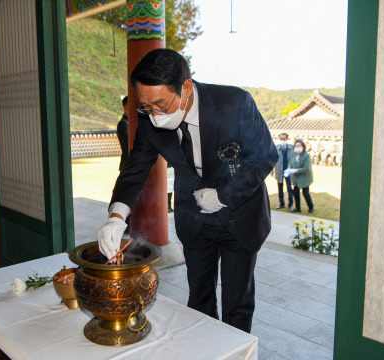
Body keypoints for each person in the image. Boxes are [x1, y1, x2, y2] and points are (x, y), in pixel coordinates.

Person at [96, 49, 279, 333]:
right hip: (194, 220)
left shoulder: (234, 103)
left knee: (237, 303)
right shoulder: (148, 117)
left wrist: (222, 196)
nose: (153, 116)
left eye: (161, 105)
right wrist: (116, 217)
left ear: (186, 88)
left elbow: (264, 157)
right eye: (145, 106)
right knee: (199, 300)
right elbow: (136, 167)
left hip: (239, 216)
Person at [284, 139, 314, 214]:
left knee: (305, 193)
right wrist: (289, 168)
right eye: (296, 146)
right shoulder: (294, 154)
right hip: (296, 178)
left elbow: (306, 168)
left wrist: (295, 170)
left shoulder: (306, 155)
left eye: (299, 146)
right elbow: (290, 162)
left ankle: (311, 207)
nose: (297, 147)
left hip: (304, 177)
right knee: (296, 192)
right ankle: (298, 208)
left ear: (303, 147)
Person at [273, 133, 294, 210]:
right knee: (280, 188)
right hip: (279, 171)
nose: (282, 140)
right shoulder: (276, 148)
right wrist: (272, 171)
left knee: (289, 188)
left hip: (288, 171)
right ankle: (281, 203)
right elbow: (273, 160)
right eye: (281, 139)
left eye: (283, 139)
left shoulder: (291, 148)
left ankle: (290, 204)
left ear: (287, 139)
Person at [117, 96, 129, 171]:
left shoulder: (131, 122)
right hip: (128, 164)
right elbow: (129, 145)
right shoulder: (123, 124)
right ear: (125, 108)